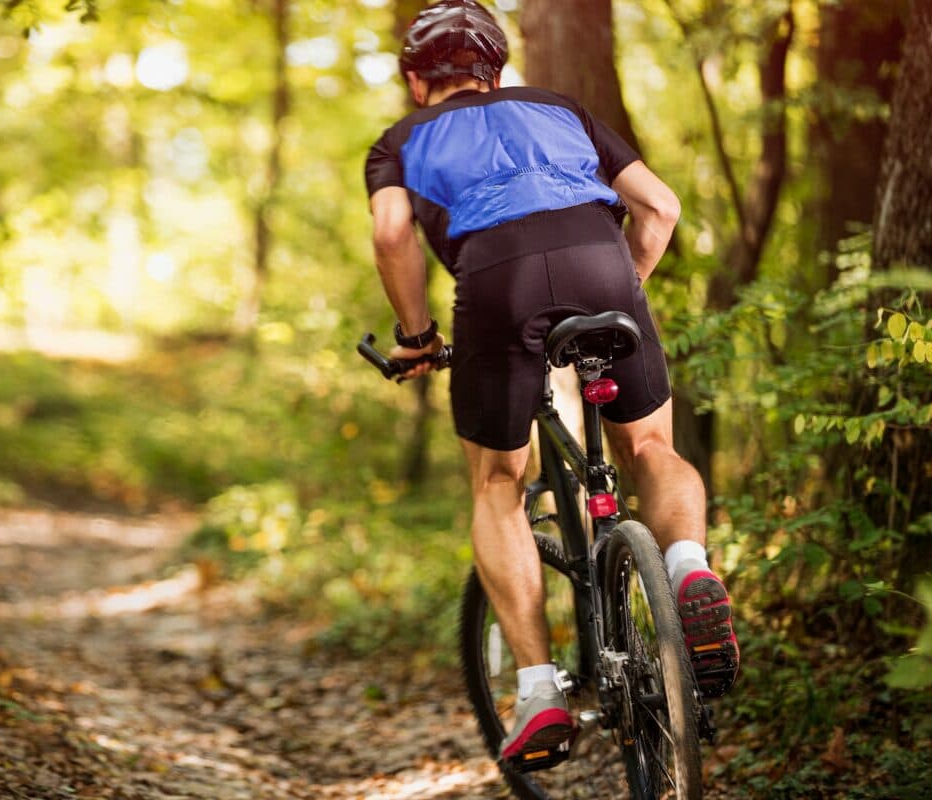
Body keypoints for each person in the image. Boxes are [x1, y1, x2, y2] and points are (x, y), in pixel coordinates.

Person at [364, 0, 739, 768]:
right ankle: (689, 570)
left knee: (499, 480)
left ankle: (539, 693)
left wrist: (417, 338)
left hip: (495, 285)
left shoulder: (400, 141)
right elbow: (660, 207)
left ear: (415, 81)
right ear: (497, 70)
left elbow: (391, 231)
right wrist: (618, 293)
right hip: (600, 262)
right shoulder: (560, 107)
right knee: (650, 444)